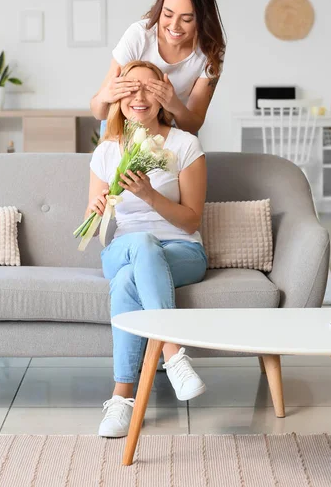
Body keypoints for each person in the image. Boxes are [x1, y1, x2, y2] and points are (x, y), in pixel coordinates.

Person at [88, 60, 208, 438]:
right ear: (118, 98)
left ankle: (122, 399)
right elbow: (97, 229)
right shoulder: (106, 152)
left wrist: (149, 195)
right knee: (138, 244)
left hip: (182, 251)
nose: (138, 97)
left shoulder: (185, 145)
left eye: (148, 89)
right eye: (129, 88)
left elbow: (191, 221)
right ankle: (174, 355)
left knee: (127, 281)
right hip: (123, 247)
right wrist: (97, 211)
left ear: (162, 96)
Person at [90, 0, 226, 137]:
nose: (174, 26)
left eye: (186, 19)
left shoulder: (210, 51)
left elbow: (193, 124)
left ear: (203, 19)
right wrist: (106, 95)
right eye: (167, 14)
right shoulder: (139, 35)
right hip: (124, 127)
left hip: (172, 128)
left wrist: (173, 103)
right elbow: (98, 111)